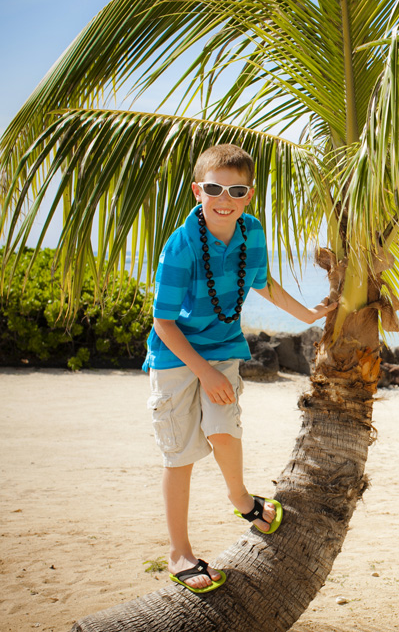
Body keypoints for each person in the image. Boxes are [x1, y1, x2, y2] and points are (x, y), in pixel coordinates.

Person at [143, 144, 337, 593]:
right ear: (198, 191)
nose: (223, 197)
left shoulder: (252, 232)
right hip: (175, 357)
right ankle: (179, 553)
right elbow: (163, 322)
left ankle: (241, 498)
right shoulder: (182, 245)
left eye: (235, 189)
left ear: (249, 195)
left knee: (225, 427)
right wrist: (204, 372)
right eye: (214, 188)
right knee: (182, 454)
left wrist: (306, 314)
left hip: (224, 349)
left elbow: (262, 281)